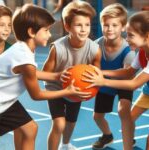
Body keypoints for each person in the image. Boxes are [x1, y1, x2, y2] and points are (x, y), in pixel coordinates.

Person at [0, 4, 92, 150]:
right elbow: (37, 95)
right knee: (29, 129)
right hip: (1, 103)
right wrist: (67, 92)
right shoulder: (24, 58)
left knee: (30, 129)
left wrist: (56, 75)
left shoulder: (23, 48)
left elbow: (31, 72)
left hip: (5, 103)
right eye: (46, 30)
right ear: (31, 32)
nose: (49, 34)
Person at [83, 11, 149, 150]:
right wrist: (101, 72)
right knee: (128, 119)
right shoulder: (142, 52)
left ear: (147, 36)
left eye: (131, 35)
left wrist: (103, 81)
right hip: (148, 93)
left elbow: (133, 83)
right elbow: (128, 72)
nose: (127, 38)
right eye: (127, 34)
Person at [43, 1, 101, 150]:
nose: (83, 29)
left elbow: (97, 75)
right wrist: (58, 75)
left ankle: (66, 144)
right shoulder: (58, 48)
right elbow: (43, 74)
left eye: (87, 25)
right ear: (67, 26)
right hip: (56, 89)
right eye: (78, 25)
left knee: (71, 122)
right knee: (59, 123)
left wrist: (93, 83)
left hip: (76, 89)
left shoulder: (95, 49)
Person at [90, 3, 135, 150]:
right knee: (97, 117)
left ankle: (129, 137)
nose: (110, 29)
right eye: (106, 25)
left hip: (123, 83)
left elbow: (127, 73)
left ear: (123, 27)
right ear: (101, 25)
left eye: (114, 25)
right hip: (104, 84)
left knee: (123, 111)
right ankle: (107, 135)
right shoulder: (96, 45)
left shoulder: (128, 50)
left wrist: (102, 74)